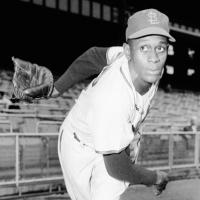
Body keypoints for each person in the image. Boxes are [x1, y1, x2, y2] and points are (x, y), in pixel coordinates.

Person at [23, 8, 175, 200]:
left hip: (115, 145)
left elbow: (94, 55)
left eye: (160, 47)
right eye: (144, 47)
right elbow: (117, 168)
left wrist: (57, 88)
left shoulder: (144, 65)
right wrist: (154, 177)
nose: (154, 58)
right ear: (129, 51)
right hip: (79, 145)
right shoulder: (113, 97)